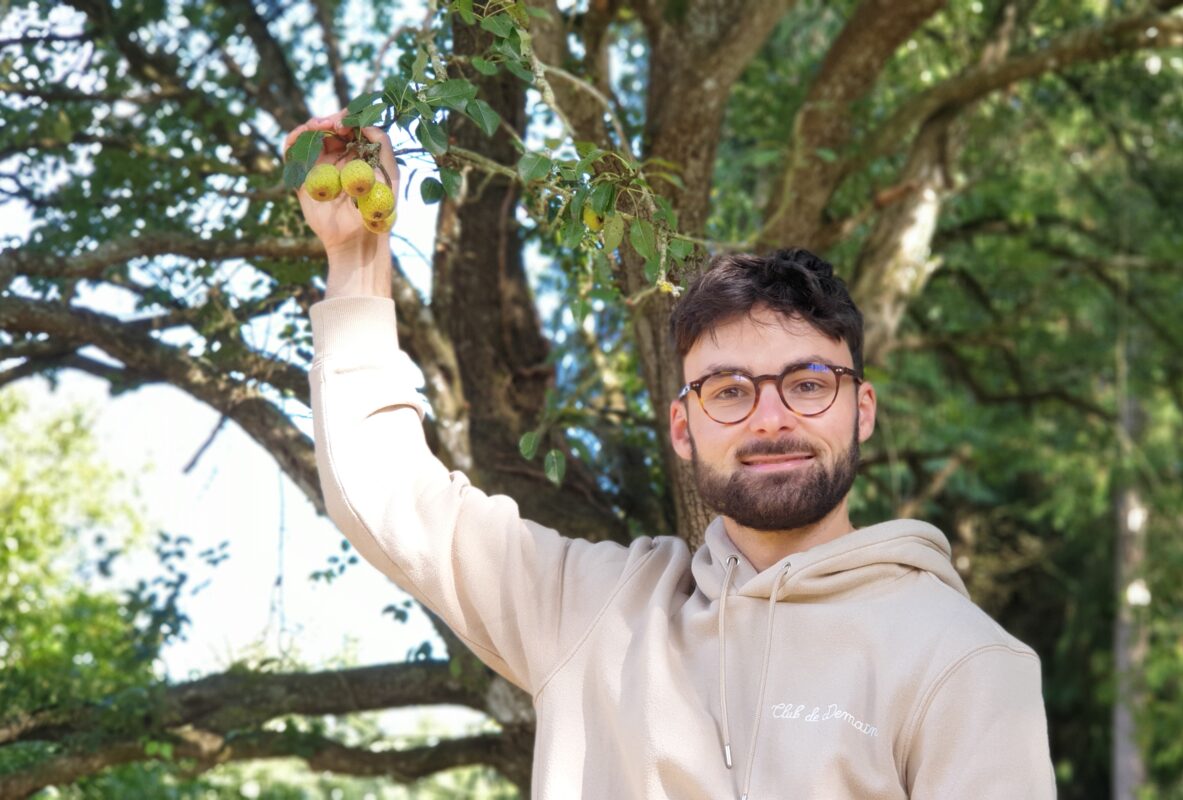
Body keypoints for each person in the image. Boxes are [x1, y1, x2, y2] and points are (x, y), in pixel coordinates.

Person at [287, 110, 1055, 799]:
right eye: (728, 391)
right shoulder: (595, 613)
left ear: (863, 411)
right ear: (683, 428)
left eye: (809, 383)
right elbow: (387, 495)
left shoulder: (966, 662)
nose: (771, 418)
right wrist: (358, 257)